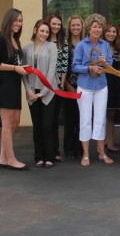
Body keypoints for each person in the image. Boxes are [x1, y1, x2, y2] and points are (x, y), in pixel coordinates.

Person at [0, 8, 29, 170]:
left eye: (20, 21)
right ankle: (11, 159)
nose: (18, 24)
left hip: (14, 85)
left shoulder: (15, 40)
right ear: (8, 21)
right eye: (16, 20)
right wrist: (14, 68)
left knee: (15, 122)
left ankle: (4, 158)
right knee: (7, 123)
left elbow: (16, 63)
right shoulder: (0, 39)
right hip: (3, 85)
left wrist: (22, 67)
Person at [72, 16, 113, 167]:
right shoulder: (82, 45)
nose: (97, 30)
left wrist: (104, 63)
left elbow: (109, 65)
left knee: (100, 119)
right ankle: (85, 154)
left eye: (100, 27)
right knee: (85, 119)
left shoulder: (105, 45)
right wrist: (89, 68)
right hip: (85, 85)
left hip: (101, 86)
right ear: (89, 28)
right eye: (95, 27)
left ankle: (102, 152)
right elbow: (75, 66)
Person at [23, 20, 59, 169]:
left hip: (48, 91)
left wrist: (44, 91)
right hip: (32, 92)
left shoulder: (51, 47)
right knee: (37, 125)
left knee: (47, 125)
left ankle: (49, 156)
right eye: (42, 31)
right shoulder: (26, 48)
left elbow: (51, 71)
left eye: (46, 32)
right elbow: (24, 72)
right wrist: (28, 90)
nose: (44, 34)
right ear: (35, 30)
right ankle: (39, 156)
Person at [46, 12, 68, 163]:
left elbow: (64, 65)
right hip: (44, 85)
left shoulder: (63, 42)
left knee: (55, 120)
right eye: (53, 24)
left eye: (58, 24)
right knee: (46, 120)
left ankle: (55, 151)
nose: (56, 27)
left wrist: (61, 84)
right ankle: (46, 151)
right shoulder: (43, 41)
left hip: (57, 85)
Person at [63, 15, 84, 159]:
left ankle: (80, 149)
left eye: (78, 25)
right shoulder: (64, 44)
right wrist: (67, 85)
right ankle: (68, 149)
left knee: (81, 119)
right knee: (69, 119)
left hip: (84, 87)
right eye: (73, 25)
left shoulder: (86, 44)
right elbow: (61, 67)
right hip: (68, 87)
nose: (76, 27)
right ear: (69, 27)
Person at [103, 23, 120, 152]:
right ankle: (105, 142)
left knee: (111, 114)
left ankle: (109, 142)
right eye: (109, 31)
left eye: (114, 31)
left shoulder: (119, 48)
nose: (111, 34)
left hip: (116, 83)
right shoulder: (100, 46)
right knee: (102, 114)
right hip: (102, 82)